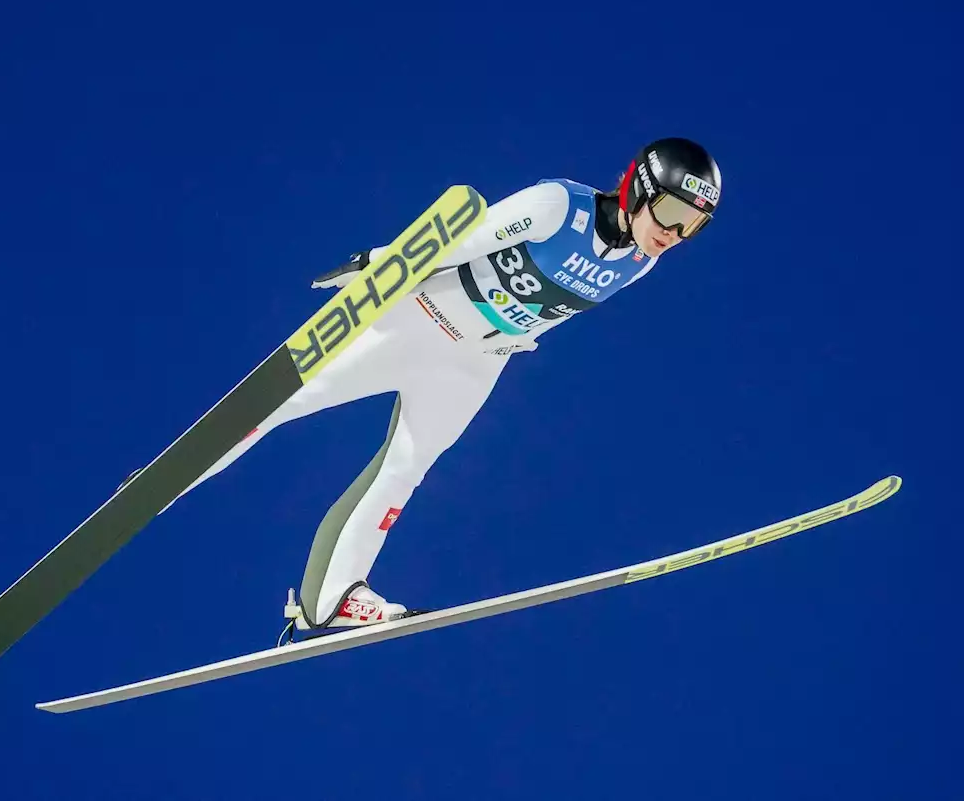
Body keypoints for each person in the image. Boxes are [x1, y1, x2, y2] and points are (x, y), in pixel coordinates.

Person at [184, 137, 723, 631]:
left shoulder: (639, 264)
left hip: (477, 362)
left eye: (692, 227)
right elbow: (459, 240)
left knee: (404, 470)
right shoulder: (557, 207)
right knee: (282, 401)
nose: (674, 235)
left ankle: (331, 597)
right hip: (417, 321)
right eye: (673, 213)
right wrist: (378, 264)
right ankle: (166, 482)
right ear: (639, 189)